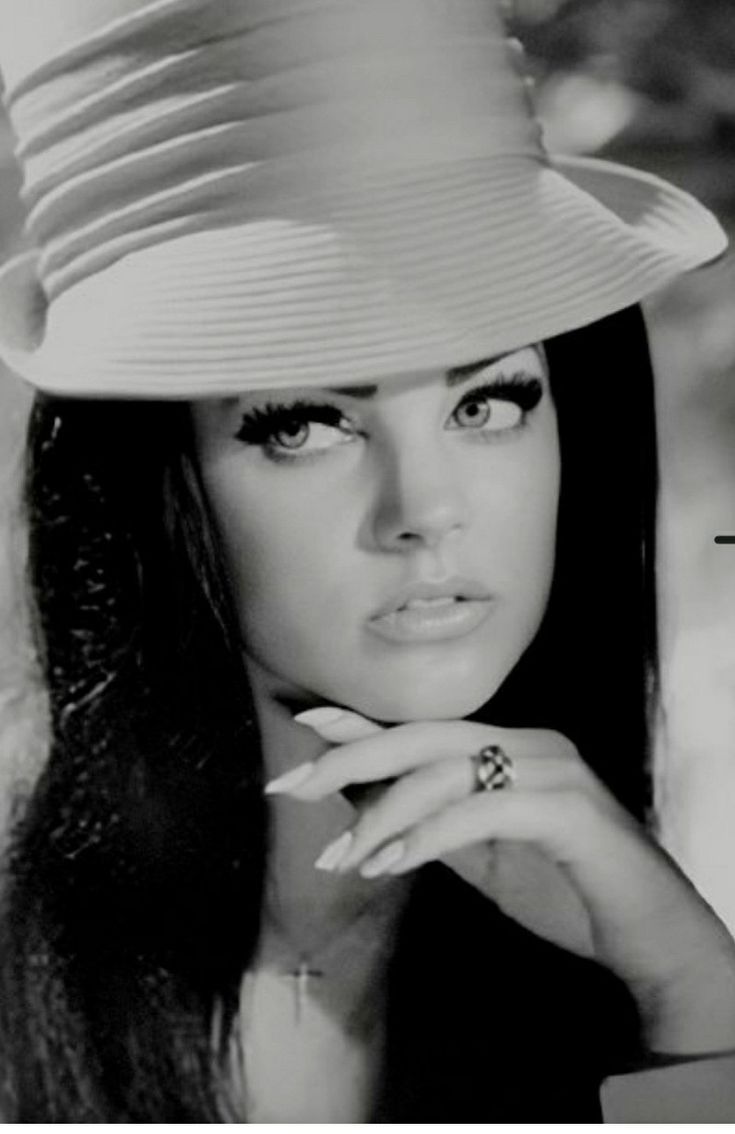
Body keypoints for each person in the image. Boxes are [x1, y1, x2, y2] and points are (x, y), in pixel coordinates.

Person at [0, 0, 733, 1122]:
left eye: (490, 400)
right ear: (151, 489)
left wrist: (690, 988)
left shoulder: (617, 928)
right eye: (302, 424)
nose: (426, 509)